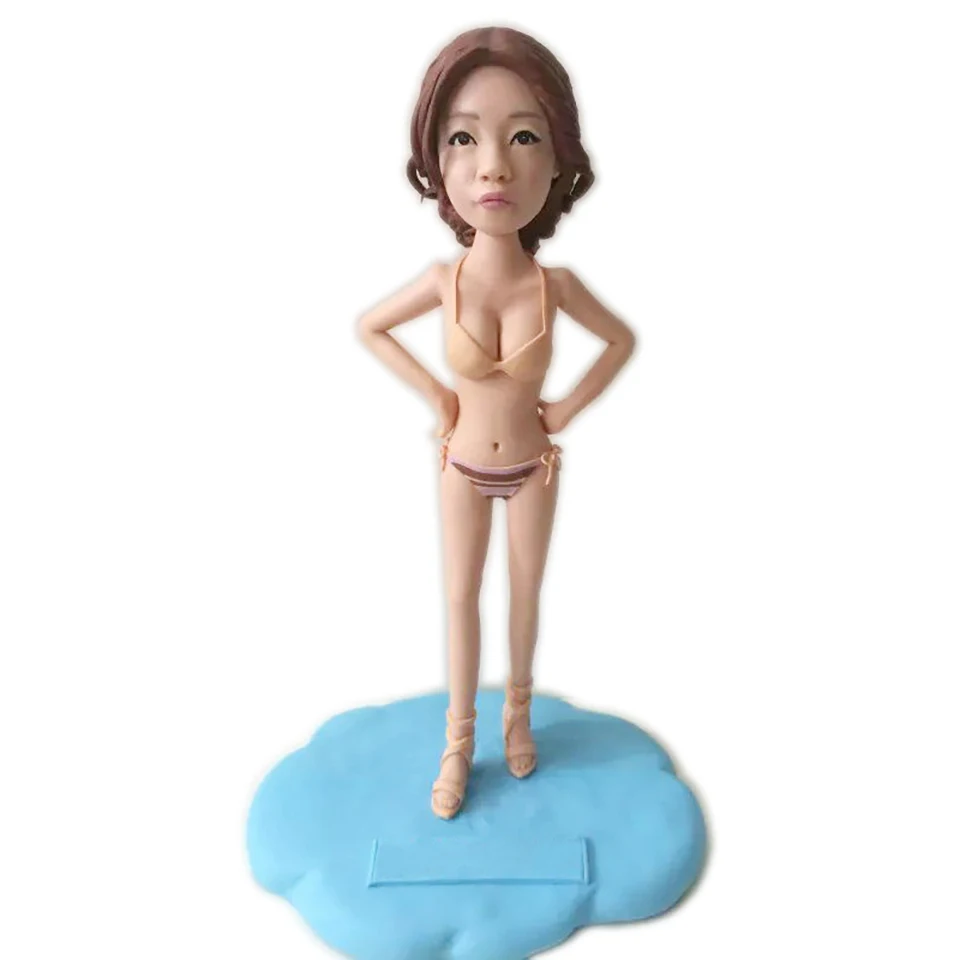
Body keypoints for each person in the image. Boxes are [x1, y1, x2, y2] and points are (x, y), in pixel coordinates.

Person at [357, 26, 637, 819]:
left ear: (558, 159)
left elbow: (619, 341)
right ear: (436, 161)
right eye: (464, 138)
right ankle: (458, 743)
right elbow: (371, 327)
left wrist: (566, 410)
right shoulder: (440, 280)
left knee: (524, 595)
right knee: (458, 597)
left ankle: (518, 714)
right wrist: (437, 397)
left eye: (523, 137)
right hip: (461, 465)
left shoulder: (556, 286)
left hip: (533, 465)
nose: (493, 166)